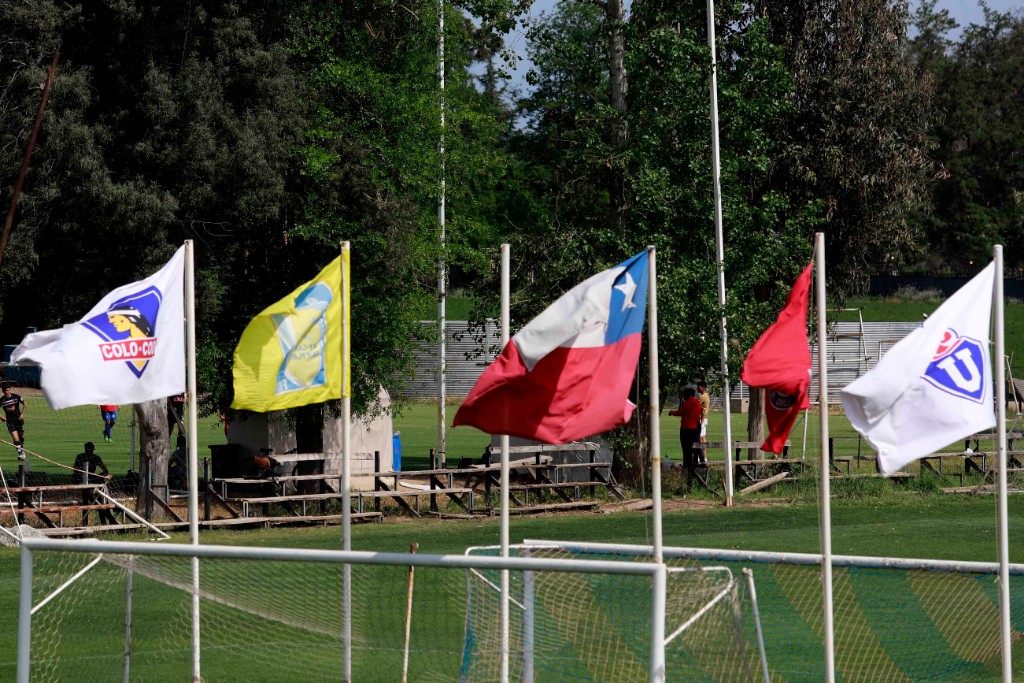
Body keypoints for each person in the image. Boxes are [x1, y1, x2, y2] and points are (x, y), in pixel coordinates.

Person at [73, 442, 117, 525]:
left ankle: (105, 521)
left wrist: (102, 475)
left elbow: (75, 470)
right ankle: (108, 521)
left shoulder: (81, 456)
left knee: (99, 501)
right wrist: (103, 475)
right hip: (86, 482)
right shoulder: (93, 457)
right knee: (99, 502)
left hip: (88, 481)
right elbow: (105, 469)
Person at [669, 387, 704, 486]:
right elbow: (702, 411)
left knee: (686, 447)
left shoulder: (688, 402)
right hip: (696, 427)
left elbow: (680, 412)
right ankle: (698, 460)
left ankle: (687, 463)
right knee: (696, 445)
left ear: (687, 395)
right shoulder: (697, 402)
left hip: (687, 428)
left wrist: (671, 412)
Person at [1, 384, 27, 460]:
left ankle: (21, 448)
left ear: (10, 390)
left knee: (21, 436)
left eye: (7, 390)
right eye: (5, 391)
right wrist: (1, 417)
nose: (6, 392)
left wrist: (22, 414)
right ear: (2, 391)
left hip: (19, 420)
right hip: (10, 421)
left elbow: (25, 404)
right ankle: (21, 453)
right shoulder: (2, 400)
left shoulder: (16, 397)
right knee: (15, 438)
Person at [696, 381, 711, 464]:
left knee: (700, 438)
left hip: (702, 419)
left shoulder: (703, 396)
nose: (697, 388)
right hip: (704, 419)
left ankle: (701, 457)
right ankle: (704, 457)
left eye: (699, 386)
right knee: (703, 438)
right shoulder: (705, 396)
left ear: (703, 387)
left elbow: (696, 405)